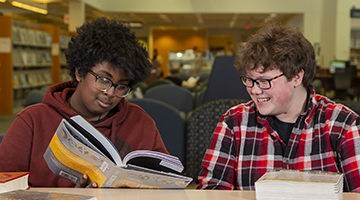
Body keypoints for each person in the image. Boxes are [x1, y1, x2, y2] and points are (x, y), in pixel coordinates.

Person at [0, 17, 168, 188]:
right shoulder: (32, 121)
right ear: (80, 72)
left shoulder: (141, 122)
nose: (110, 93)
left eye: (121, 86)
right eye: (103, 80)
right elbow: (4, 189)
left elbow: (165, 182)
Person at [197, 21, 360, 192]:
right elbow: (212, 192)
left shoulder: (343, 125)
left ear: (296, 78)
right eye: (249, 80)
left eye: (264, 81)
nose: (254, 90)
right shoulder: (233, 123)